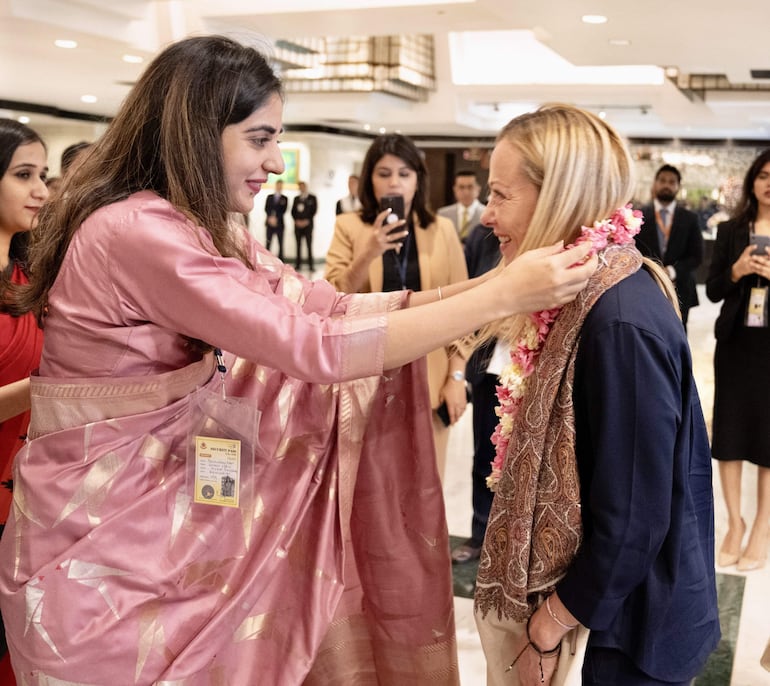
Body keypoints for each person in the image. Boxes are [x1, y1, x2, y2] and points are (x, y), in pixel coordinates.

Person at [0, 36, 597, 685]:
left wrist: (494, 286)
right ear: (200, 131)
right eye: (259, 139)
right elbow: (310, 346)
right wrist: (506, 293)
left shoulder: (204, 224)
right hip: (110, 547)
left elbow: (324, 307)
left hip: (167, 520)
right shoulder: (136, 231)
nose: (276, 163)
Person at [471, 105, 720, 686]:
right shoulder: (591, 292)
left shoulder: (617, 320)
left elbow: (635, 516)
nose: (487, 215)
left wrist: (549, 626)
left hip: (628, 632)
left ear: (558, 196)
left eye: (501, 195)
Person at [324, 133, 470, 482]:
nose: (394, 182)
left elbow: (463, 306)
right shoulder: (350, 226)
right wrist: (369, 252)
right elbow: (332, 298)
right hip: (367, 369)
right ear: (369, 179)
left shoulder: (442, 229)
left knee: (425, 480)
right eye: (384, 173)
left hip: (430, 373)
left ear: (418, 180)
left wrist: (457, 377)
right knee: (371, 483)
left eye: (404, 174)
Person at [0, 117, 48, 686]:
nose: (41, 190)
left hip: (27, 492)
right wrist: (51, 385)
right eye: (23, 175)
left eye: (43, 175)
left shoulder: (28, 277)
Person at [706, 147, 770, 572]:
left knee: (768, 441)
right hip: (735, 344)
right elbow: (712, 289)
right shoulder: (731, 230)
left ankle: (762, 528)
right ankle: (734, 523)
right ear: (752, 182)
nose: (769, 183)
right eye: (763, 175)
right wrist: (737, 270)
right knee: (727, 437)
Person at [450, 220, 500, 564]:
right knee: (485, 455)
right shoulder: (486, 238)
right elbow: (466, 293)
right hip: (490, 366)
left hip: (538, 366)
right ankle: (480, 533)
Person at [635, 164, 703, 330]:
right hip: (646, 285)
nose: (666, 185)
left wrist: (672, 271)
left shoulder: (690, 218)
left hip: (680, 287)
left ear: (678, 186)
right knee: (646, 332)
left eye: (672, 182)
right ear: (655, 183)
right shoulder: (638, 216)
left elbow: (697, 256)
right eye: (662, 180)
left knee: (678, 332)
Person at [438, 169, 485, 243]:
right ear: (455, 189)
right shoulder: (443, 214)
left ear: (478, 189)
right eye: (461, 187)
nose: (466, 192)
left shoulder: (487, 214)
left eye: (470, 187)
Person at [291, 180, 317, 271]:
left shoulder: (312, 198)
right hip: (298, 226)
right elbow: (293, 211)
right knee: (298, 245)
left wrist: (306, 221)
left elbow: (314, 211)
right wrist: (297, 221)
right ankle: (298, 265)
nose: (301, 188)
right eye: (300, 187)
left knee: (309, 245)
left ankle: (311, 265)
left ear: (305, 187)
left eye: (303, 186)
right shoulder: (296, 199)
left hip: (308, 226)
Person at [264, 178, 287, 259]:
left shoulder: (284, 198)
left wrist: (276, 218)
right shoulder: (269, 197)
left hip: (279, 224)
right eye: (278, 185)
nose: (279, 187)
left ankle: (281, 261)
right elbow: (266, 208)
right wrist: (270, 218)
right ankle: (266, 260)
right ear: (276, 186)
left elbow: (284, 210)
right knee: (268, 243)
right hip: (269, 223)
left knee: (280, 244)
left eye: (281, 186)